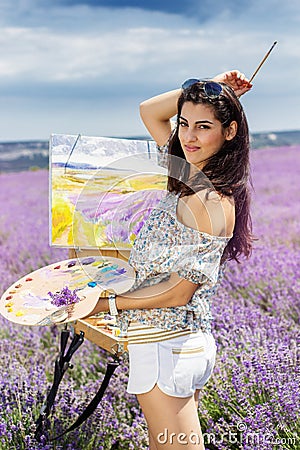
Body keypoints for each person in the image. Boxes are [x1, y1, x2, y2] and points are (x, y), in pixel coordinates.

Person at [85, 70, 254, 449]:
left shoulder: (208, 201)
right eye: (185, 124)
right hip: (180, 342)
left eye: (204, 127)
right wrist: (215, 86)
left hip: (166, 349)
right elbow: (149, 111)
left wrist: (104, 304)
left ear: (230, 132)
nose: (188, 136)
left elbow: (179, 292)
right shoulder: (189, 176)